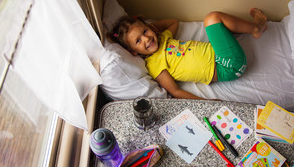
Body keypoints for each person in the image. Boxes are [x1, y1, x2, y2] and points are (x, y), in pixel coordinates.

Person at [108, 9, 267, 100]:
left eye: (145, 31)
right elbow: (175, 91)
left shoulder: (163, 38)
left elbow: (173, 22)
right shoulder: (154, 65)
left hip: (220, 53)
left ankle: (252, 28)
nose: (146, 38)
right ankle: (256, 29)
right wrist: (206, 102)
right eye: (138, 41)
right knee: (212, 18)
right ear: (133, 52)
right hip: (227, 66)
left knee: (215, 22)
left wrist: (152, 27)